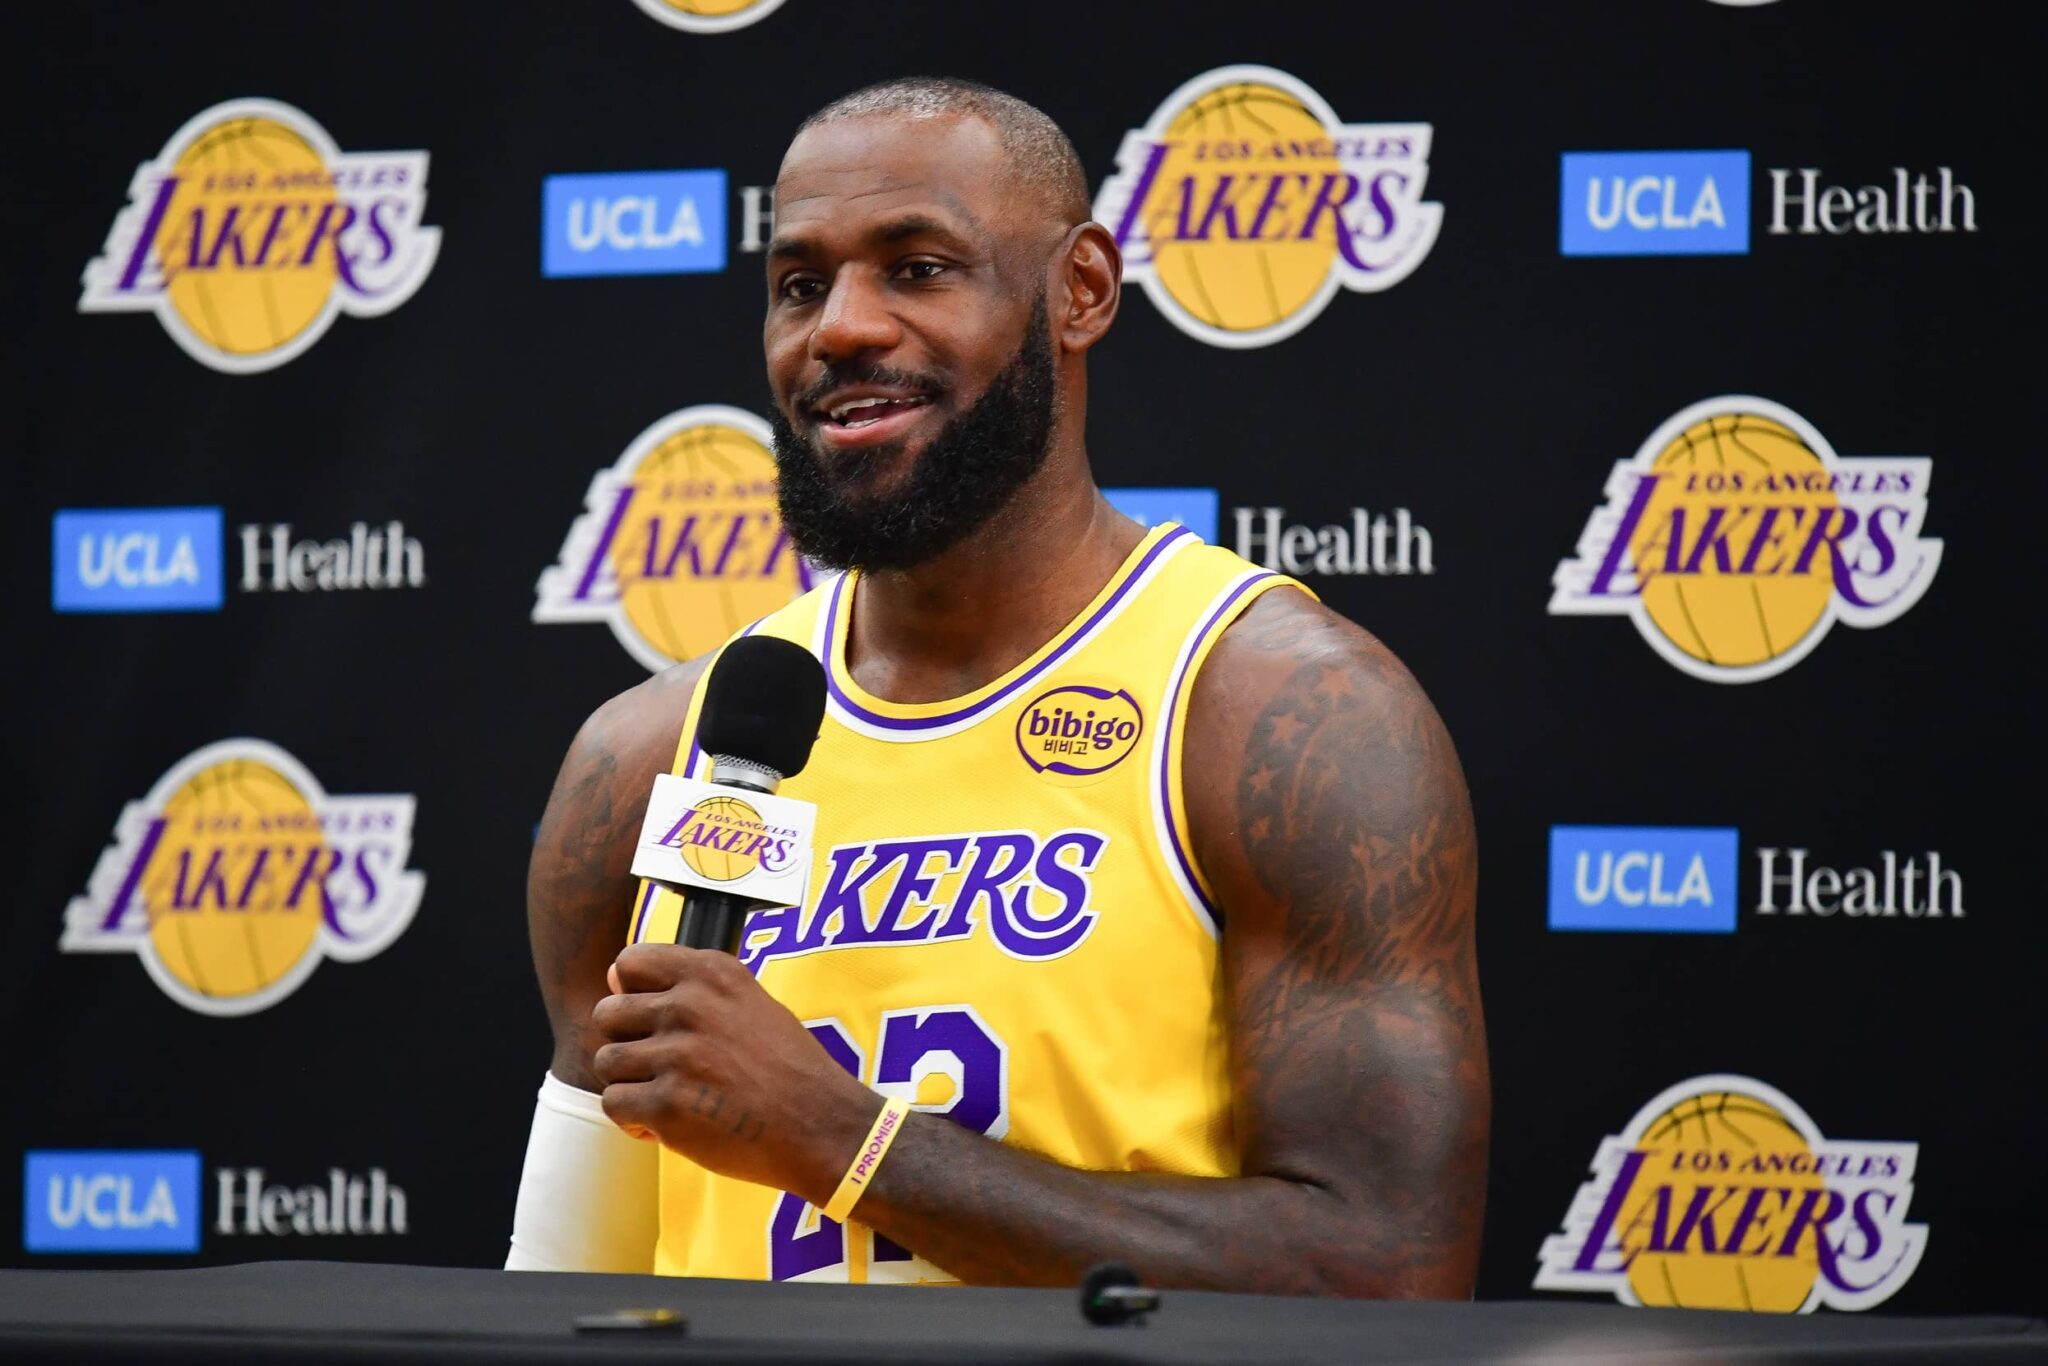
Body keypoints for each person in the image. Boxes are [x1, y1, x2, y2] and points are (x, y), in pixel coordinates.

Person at [507, 77, 1488, 1296]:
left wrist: (841, 1140)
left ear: (1078, 290)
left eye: (916, 267)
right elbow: (559, 1291)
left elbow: (1384, 1270)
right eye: (800, 285)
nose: (841, 329)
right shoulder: (649, 754)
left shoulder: (1274, 715)